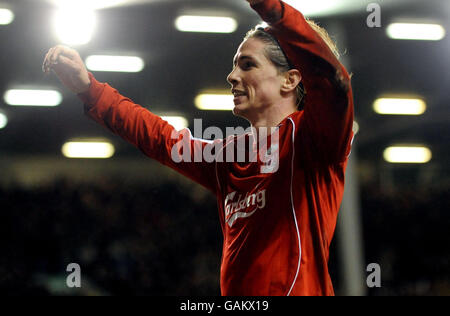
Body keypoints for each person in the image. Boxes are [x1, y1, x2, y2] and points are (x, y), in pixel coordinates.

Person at [43, 0, 354, 296]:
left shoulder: (315, 139)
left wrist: (271, 8)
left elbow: (333, 80)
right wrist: (89, 89)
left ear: (290, 80)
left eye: (248, 65)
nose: (232, 76)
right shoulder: (231, 157)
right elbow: (160, 138)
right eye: (235, 66)